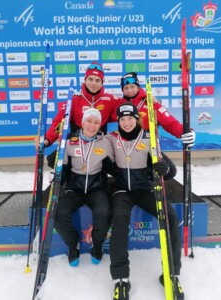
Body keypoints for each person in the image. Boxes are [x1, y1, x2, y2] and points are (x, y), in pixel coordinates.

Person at [106, 103, 184, 300]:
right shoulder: (111, 139)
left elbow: (171, 171)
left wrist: (163, 169)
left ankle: (172, 274)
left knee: (170, 217)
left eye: (130, 118)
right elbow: (88, 146)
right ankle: (120, 278)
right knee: (119, 220)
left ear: (137, 119)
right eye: (122, 119)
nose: (126, 122)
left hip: (146, 189)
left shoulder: (150, 139)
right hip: (123, 190)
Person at [54, 108, 115, 267]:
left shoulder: (106, 142)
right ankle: (73, 244)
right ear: (82, 122)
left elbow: (118, 162)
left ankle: (97, 244)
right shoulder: (69, 141)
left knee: (104, 212)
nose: (92, 125)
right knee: (59, 214)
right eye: (89, 121)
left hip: (97, 187)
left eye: (96, 122)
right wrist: (57, 176)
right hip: (75, 187)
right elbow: (61, 166)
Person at [38, 62, 121, 149]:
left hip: (99, 143)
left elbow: (130, 109)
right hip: (76, 142)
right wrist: (47, 139)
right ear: (85, 80)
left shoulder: (110, 100)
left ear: (102, 82)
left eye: (97, 80)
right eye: (90, 79)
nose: (93, 83)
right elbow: (59, 123)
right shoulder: (74, 99)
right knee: (51, 160)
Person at [119, 72, 195, 147]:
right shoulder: (120, 105)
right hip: (125, 147)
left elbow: (170, 123)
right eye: (126, 88)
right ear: (122, 90)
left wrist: (185, 132)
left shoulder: (151, 102)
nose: (129, 91)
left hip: (147, 145)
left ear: (138, 87)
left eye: (132, 87)